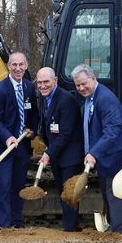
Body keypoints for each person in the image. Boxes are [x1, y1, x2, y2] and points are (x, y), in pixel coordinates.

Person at [71, 64, 122, 234]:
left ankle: (120, 237)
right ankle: (114, 230)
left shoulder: (105, 98)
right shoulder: (92, 97)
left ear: (94, 78)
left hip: (115, 158)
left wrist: (93, 152)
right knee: (108, 197)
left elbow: (113, 130)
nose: (81, 88)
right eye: (78, 85)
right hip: (105, 158)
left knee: (115, 198)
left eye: (84, 83)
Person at [0, 52, 38, 228]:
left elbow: (34, 114)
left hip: (22, 147)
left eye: (21, 65)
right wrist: (8, 137)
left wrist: (33, 130)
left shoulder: (30, 87)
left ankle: (17, 221)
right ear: (8, 66)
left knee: (19, 184)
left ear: (26, 66)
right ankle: (5, 225)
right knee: (5, 185)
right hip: (4, 147)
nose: (18, 68)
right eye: (14, 65)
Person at [35, 67, 84, 232]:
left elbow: (67, 133)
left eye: (46, 82)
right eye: (39, 83)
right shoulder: (44, 98)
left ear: (55, 80)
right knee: (61, 192)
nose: (42, 86)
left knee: (70, 194)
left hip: (70, 156)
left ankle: (71, 231)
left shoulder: (66, 100)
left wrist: (49, 153)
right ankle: (70, 227)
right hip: (57, 155)